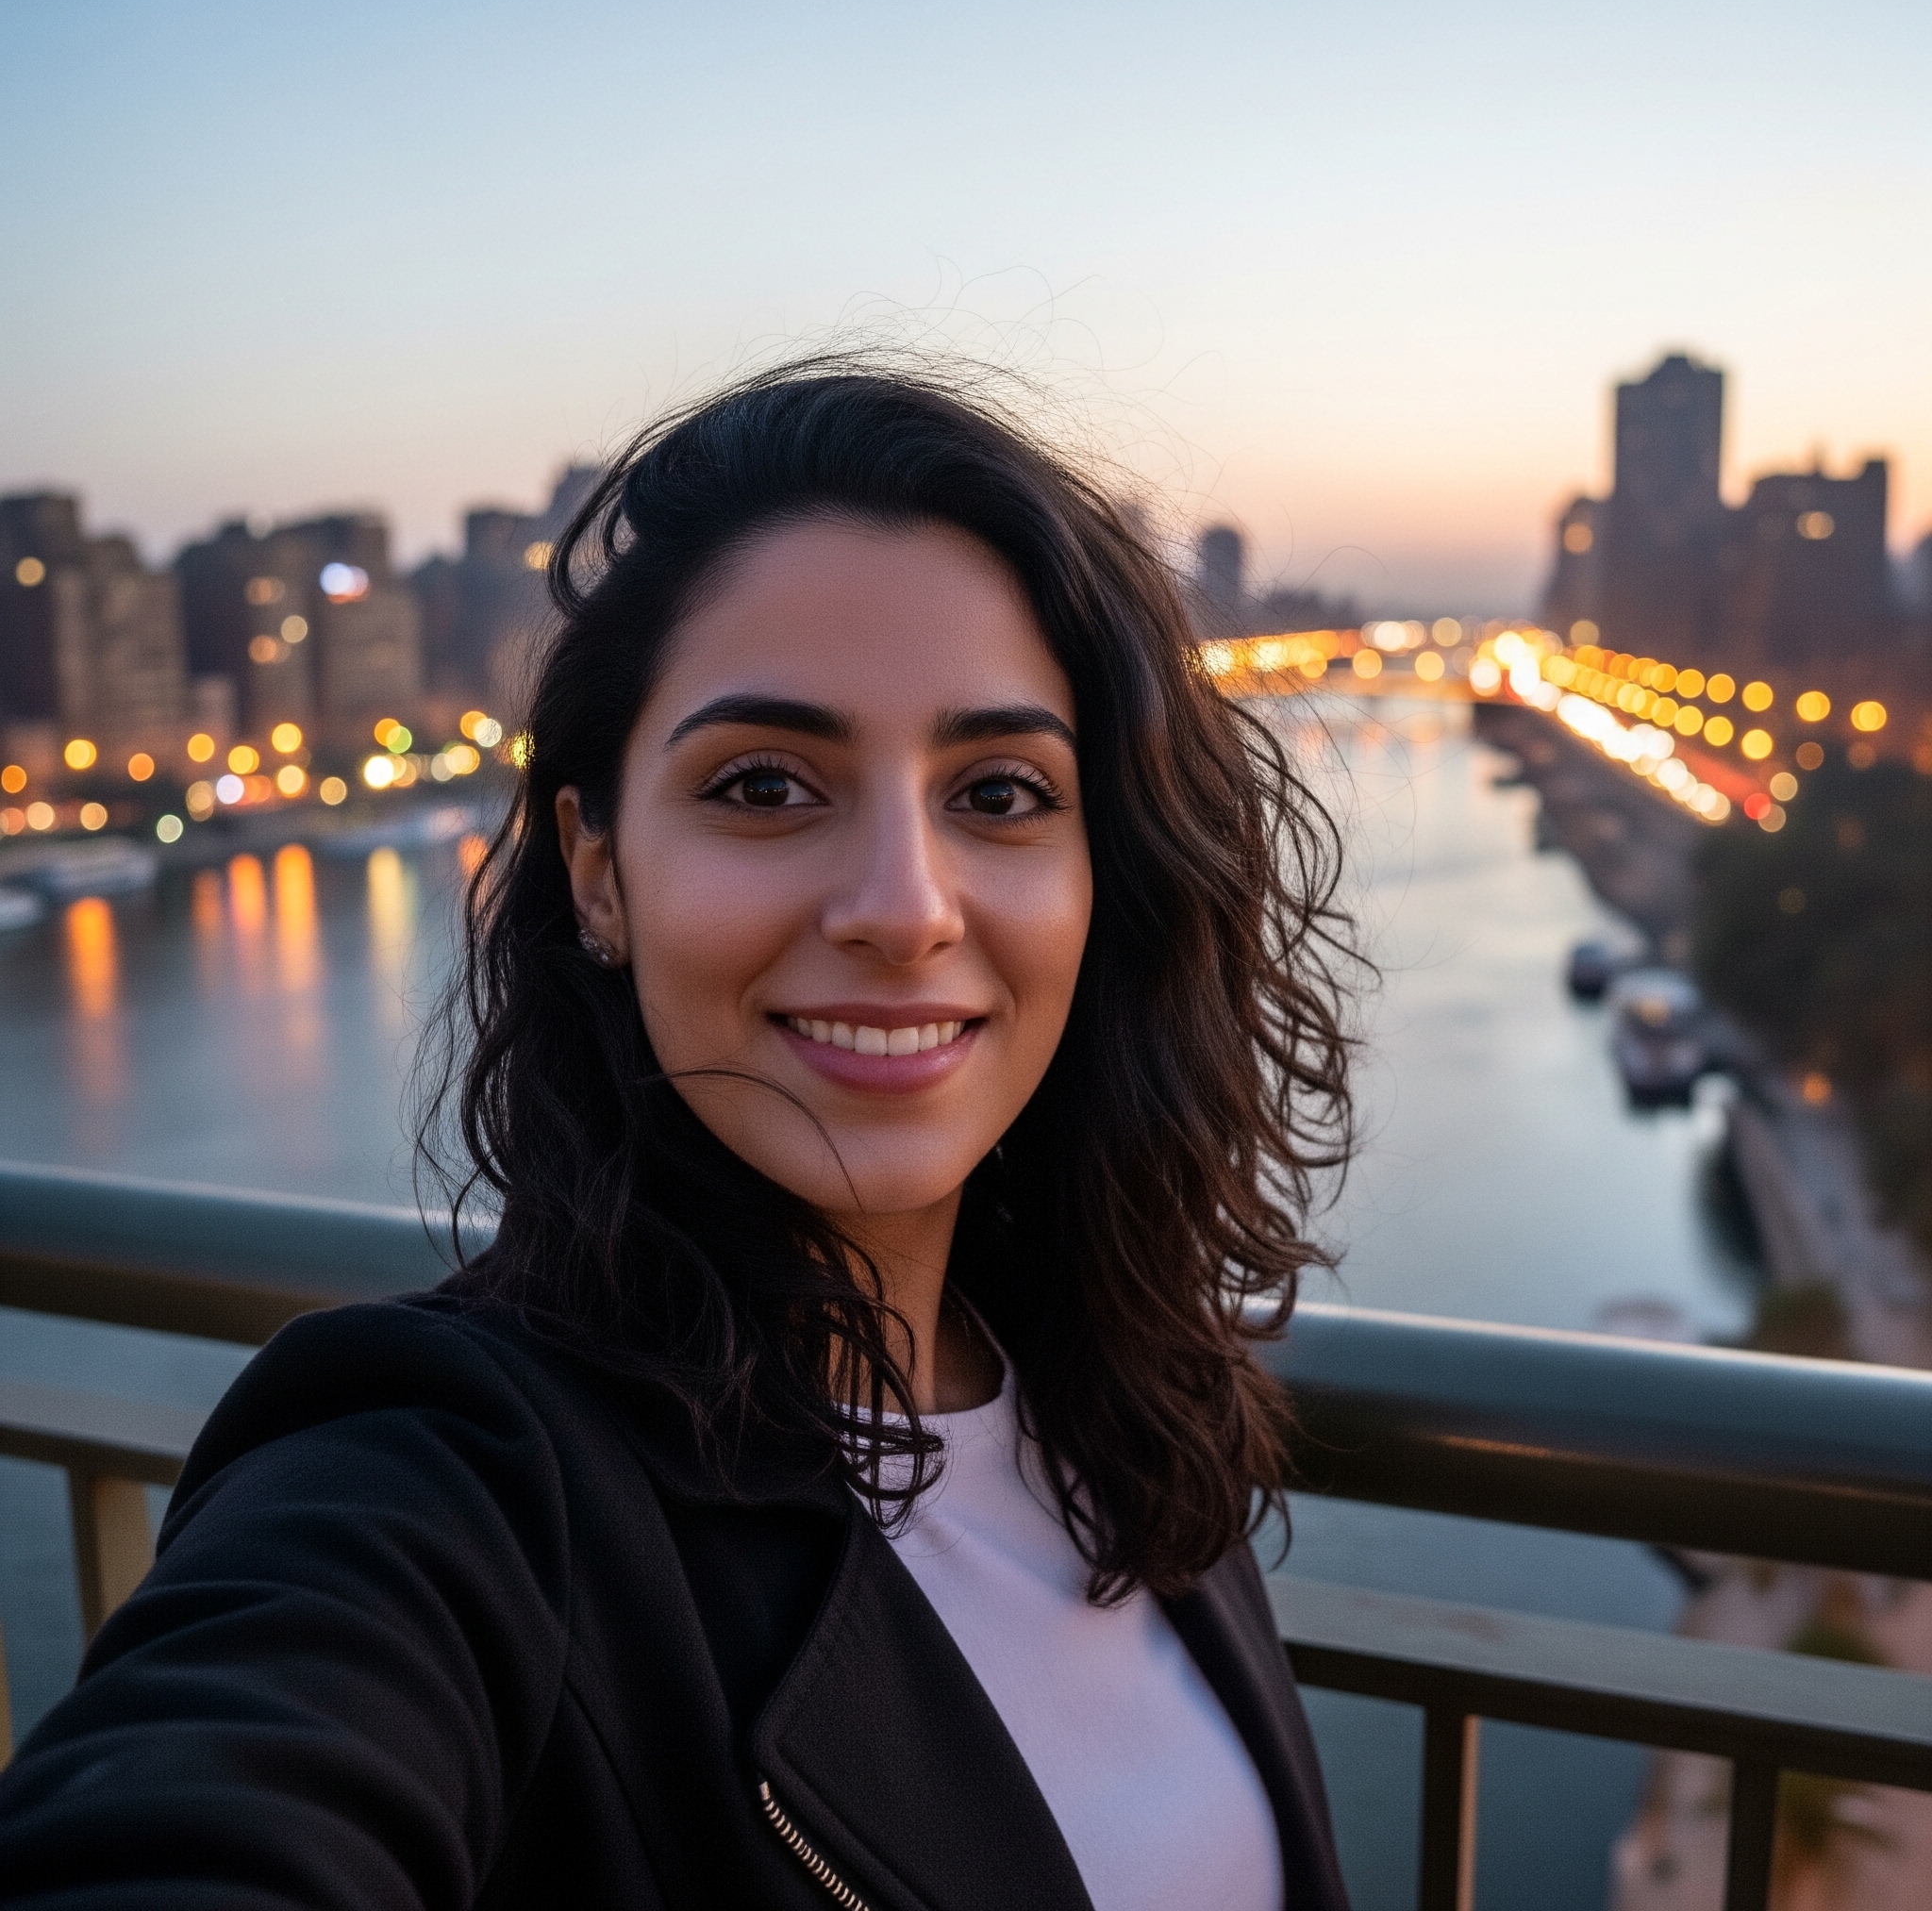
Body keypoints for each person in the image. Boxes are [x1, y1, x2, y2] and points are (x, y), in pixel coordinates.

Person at [0, 359, 1356, 1910]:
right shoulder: (446, 1476)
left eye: (997, 790)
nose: (906, 910)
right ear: (596, 870)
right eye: (766, 785)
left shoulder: (1117, 1396)